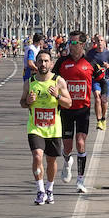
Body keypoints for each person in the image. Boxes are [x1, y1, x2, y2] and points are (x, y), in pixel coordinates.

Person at [22, 47, 73, 204]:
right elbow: (22, 102)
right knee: (37, 156)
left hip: (53, 128)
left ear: (51, 64)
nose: (43, 64)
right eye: (40, 61)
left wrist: (57, 96)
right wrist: (28, 102)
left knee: (51, 161)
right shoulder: (29, 82)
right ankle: (40, 190)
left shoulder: (58, 81)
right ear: (36, 63)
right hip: (35, 127)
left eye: (46, 61)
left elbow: (69, 103)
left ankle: (50, 188)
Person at [55, 31, 97, 192]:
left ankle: (80, 180)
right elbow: (53, 79)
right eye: (69, 43)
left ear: (82, 44)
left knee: (80, 142)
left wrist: (100, 97)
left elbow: (102, 80)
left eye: (74, 43)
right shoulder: (62, 62)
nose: (70, 46)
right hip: (66, 109)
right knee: (67, 147)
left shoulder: (91, 62)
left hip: (83, 110)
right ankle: (67, 162)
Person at [86, 34, 109, 130]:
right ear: (95, 42)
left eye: (101, 40)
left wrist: (108, 66)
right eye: (98, 41)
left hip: (105, 80)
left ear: (104, 42)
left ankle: (103, 118)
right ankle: (99, 121)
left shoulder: (107, 53)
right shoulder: (91, 53)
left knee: (103, 100)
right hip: (95, 79)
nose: (100, 42)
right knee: (97, 98)